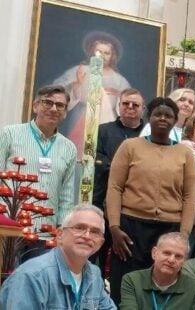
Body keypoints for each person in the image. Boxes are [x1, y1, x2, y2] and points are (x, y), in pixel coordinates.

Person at [106, 97, 195, 303]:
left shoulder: (184, 152)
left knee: (163, 282)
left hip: (169, 229)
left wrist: (183, 234)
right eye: (158, 114)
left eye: (168, 115)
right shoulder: (130, 146)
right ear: (149, 117)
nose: (163, 118)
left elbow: (190, 196)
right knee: (126, 283)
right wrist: (114, 227)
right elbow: (114, 187)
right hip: (130, 228)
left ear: (175, 120)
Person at [0, 205, 114, 309]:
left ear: (101, 243)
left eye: (95, 232)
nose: (87, 236)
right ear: (60, 235)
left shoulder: (94, 274)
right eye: (79, 228)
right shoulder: (32, 275)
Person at [0, 85, 76, 228]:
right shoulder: (9, 134)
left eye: (60, 105)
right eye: (47, 102)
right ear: (35, 106)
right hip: (9, 227)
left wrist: (63, 228)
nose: (53, 109)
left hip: (45, 230)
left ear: (65, 112)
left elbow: (66, 195)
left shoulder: (69, 148)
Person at [91, 88, 145, 270]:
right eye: (126, 104)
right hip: (101, 200)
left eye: (135, 105)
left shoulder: (147, 135)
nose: (130, 107)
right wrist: (124, 168)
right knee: (94, 252)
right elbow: (96, 159)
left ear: (142, 109)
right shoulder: (103, 131)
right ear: (119, 106)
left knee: (125, 256)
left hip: (133, 206)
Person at [53, 31, 131, 154]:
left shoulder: (119, 80)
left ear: (112, 56)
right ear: (92, 52)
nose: (103, 56)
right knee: (79, 153)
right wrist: (76, 85)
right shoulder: (80, 71)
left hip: (107, 122)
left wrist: (116, 97)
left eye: (107, 53)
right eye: (99, 52)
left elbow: (128, 102)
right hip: (81, 117)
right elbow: (56, 90)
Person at [119, 232, 195, 309]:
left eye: (178, 256)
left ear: (184, 260)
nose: (171, 260)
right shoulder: (132, 281)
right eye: (167, 253)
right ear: (154, 253)